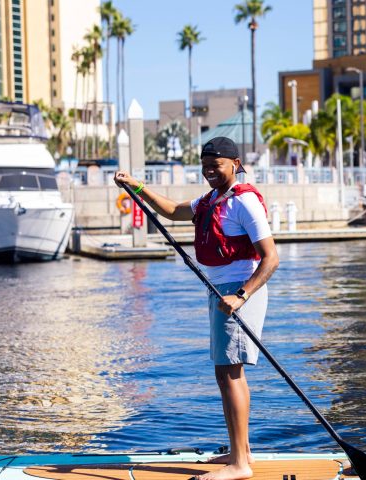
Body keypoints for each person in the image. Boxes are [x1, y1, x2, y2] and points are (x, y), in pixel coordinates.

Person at [114, 136, 279, 480]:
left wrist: (241, 295)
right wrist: (137, 187)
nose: (209, 172)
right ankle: (241, 453)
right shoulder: (212, 198)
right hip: (220, 291)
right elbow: (174, 211)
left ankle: (239, 465)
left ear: (235, 163)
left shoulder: (244, 202)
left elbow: (271, 258)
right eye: (205, 166)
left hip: (238, 293)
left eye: (215, 166)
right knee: (227, 372)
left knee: (229, 372)